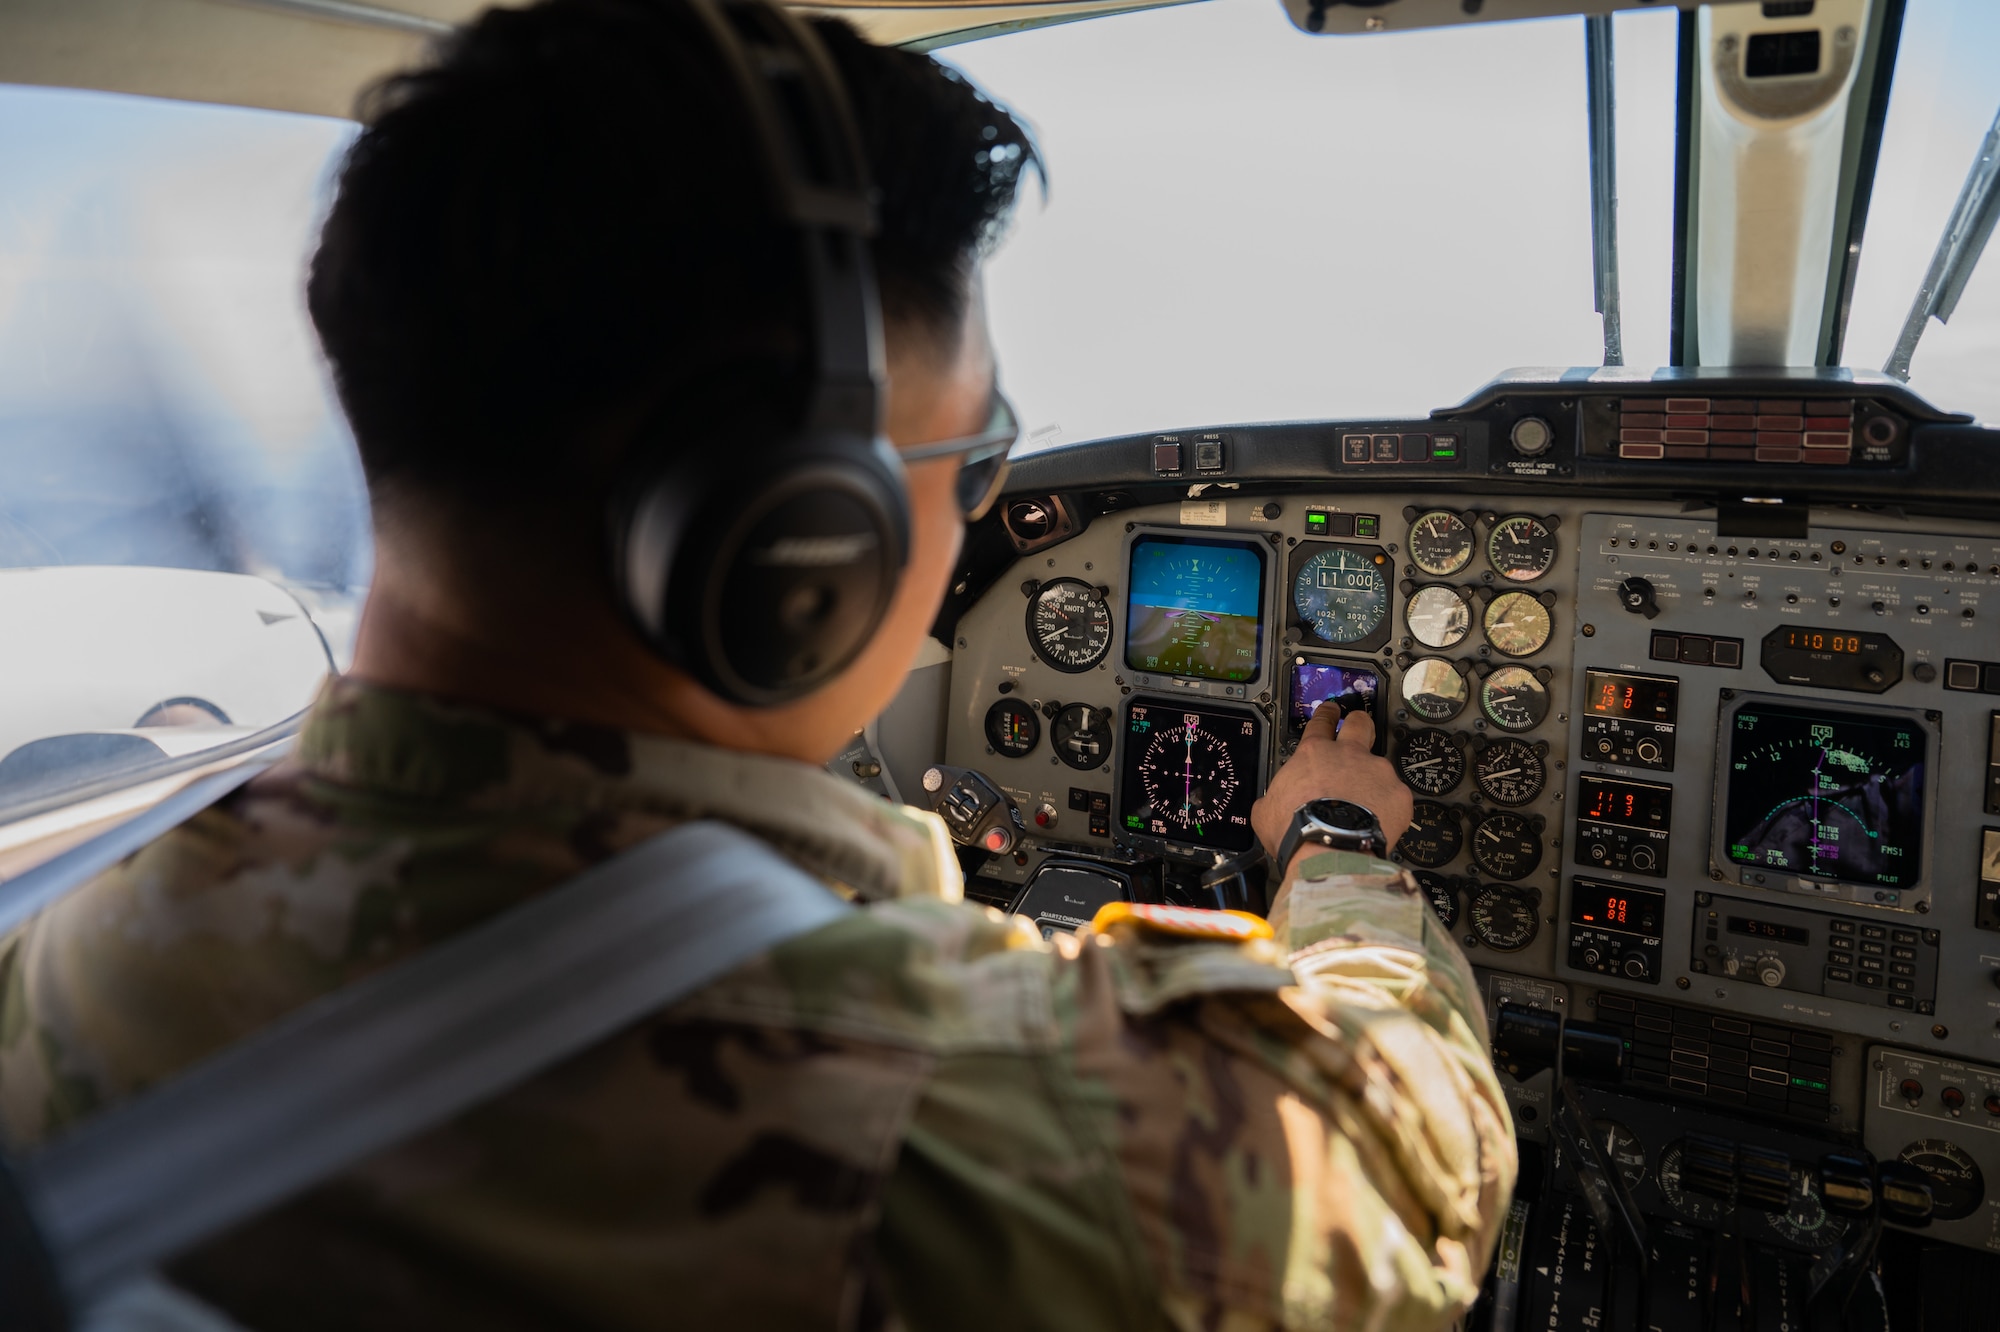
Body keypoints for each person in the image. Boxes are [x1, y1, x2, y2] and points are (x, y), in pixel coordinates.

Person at [0, 2, 1515, 1328]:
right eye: (977, 453)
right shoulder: (945, 1111)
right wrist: (1332, 844)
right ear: (796, 545)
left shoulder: (59, 965)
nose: (981, 501)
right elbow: (1414, 1164)